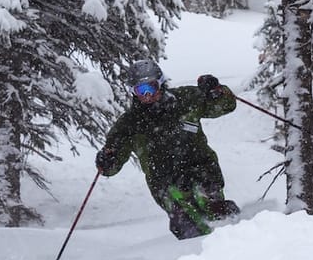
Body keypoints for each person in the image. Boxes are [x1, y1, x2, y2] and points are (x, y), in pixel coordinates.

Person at [95, 59, 242, 239]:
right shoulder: (129, 124)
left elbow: (227, 105)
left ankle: (237, 236)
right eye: (141, 90)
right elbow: (111, 163)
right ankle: (196, 257)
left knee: (211, 205)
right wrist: (106, 161)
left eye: (151, 87)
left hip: (201, 168)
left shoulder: (186, 99)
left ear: (161, 84)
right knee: (186, 220)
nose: (147, 95)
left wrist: (216, 91)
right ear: (133, 92)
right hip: (164, 180)